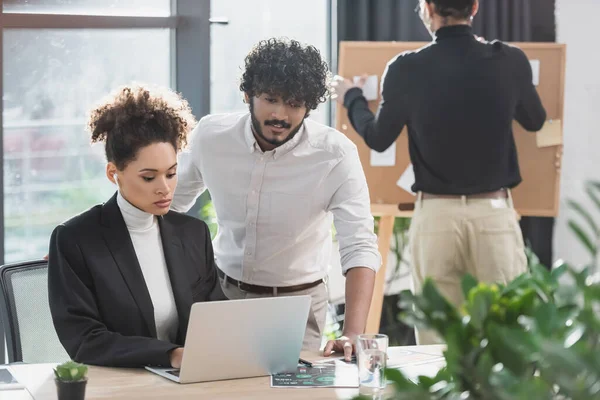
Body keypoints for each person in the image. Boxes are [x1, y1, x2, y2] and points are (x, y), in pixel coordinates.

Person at [332, 0, 546, 344]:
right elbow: (535, 120)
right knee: (508, 337)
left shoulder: (405, 68)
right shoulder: (509, 60)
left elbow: (379, 138)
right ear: (474, 7)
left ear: (428, 8)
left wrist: (353, 97)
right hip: (493, 214)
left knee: (436, 341)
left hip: (435, 216)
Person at [171, 38, 381, 359]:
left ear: (309, 106)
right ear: (248, 94)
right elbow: (171, 207)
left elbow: (360, 245)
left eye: (294, 104)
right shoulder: (210, 137)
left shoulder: (335, 155)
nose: (280, 115)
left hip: (296, 306)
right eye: (270, 99)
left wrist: (352, 333)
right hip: (219, 295)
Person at [48, 84, 224, 368]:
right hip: (119, 385)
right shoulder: (75, 239)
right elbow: (84, 339)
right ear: (113, 173)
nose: (165, 189)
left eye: (171, 173)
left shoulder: (192, 234)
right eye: (148, 177)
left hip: (187, 383)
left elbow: (217, 316)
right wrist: (170, 355)